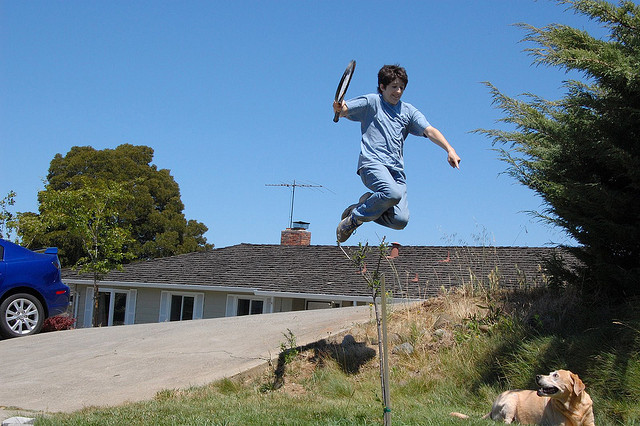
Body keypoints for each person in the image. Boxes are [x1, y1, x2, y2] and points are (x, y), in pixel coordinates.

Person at [333, 64, 461, 243]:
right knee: (392, 193)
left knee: (400, 221)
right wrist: (339, 108)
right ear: (382, 87)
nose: (398, 91)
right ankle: (353, 220)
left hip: (396, 172)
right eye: (394, 87)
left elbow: (430, 130)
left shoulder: (408, 111)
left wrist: (449, 149)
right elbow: (345, 109)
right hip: (371, 164)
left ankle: (363, 206)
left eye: (402, 87)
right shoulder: (372, 102)